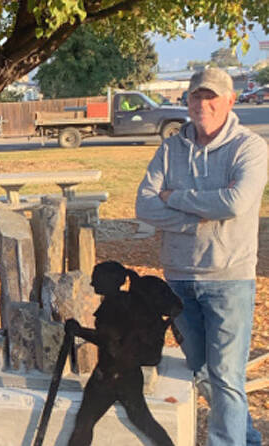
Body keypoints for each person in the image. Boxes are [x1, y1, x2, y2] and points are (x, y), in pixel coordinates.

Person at [135, 67, 268, 446]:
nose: (202, 104)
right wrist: (204, 217)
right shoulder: (171, 149)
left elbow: (236, 201)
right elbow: (144, 205)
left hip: (229, 279)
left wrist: (174, 197)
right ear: (187, 100)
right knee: (202, 370)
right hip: (178, 278)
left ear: (230, 100)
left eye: (211, 97)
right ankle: (247, 439)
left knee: (226, 374)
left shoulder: (249, 148)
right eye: (196, 96)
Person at [65, 261, 178, 446]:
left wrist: (79, 331)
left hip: (112, 376)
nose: (93, 284)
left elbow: (109, 340)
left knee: (86, 423)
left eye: (96, 280)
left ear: (110, 281)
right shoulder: (123, 302)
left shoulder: (114, 307)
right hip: (123, 374)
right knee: (140, 421)